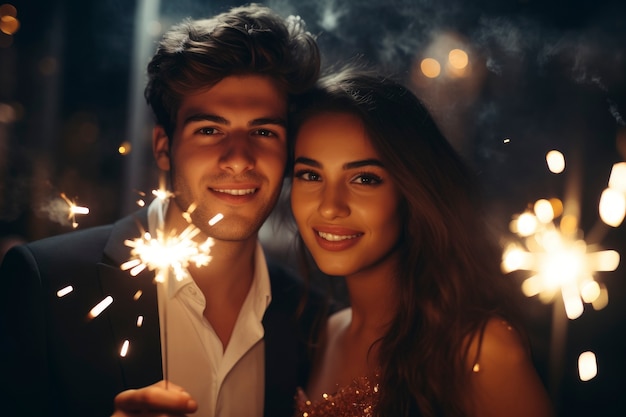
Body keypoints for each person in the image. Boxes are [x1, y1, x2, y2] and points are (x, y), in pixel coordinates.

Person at [0, 4, 327, 417]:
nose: (239, 159)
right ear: (163, 147)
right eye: (210, 130)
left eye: (263, 131)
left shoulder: (313, 318)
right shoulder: (44, 283)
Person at [288, 69, 555, 417]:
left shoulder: (479, 349)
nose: (330, 206)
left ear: (411, 192)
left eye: (365, 178)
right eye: (311, 175)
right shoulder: (328, 332)